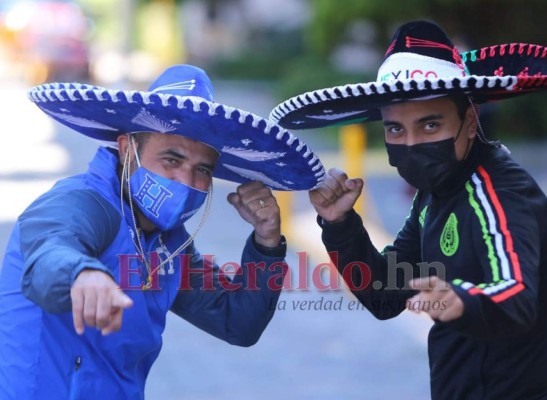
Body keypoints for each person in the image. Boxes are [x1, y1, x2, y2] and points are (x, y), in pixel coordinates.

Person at [270, 20, 547, 400]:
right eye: (396, 130)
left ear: (469, 122)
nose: (412, 144)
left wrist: (463, 299)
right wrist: (339, 224)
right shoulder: (435, 193)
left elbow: (517, 300)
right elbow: (384, 295)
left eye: (430, 125)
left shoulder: (500, 192)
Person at [0, 64, 325, 399]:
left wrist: (266, 241)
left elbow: (237, 322)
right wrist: (83, 273)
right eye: (171, 160)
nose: (185, 181)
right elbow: (48, 252)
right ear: (128, 150)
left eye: (201, 169)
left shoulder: (168, 243)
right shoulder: (79, 202)